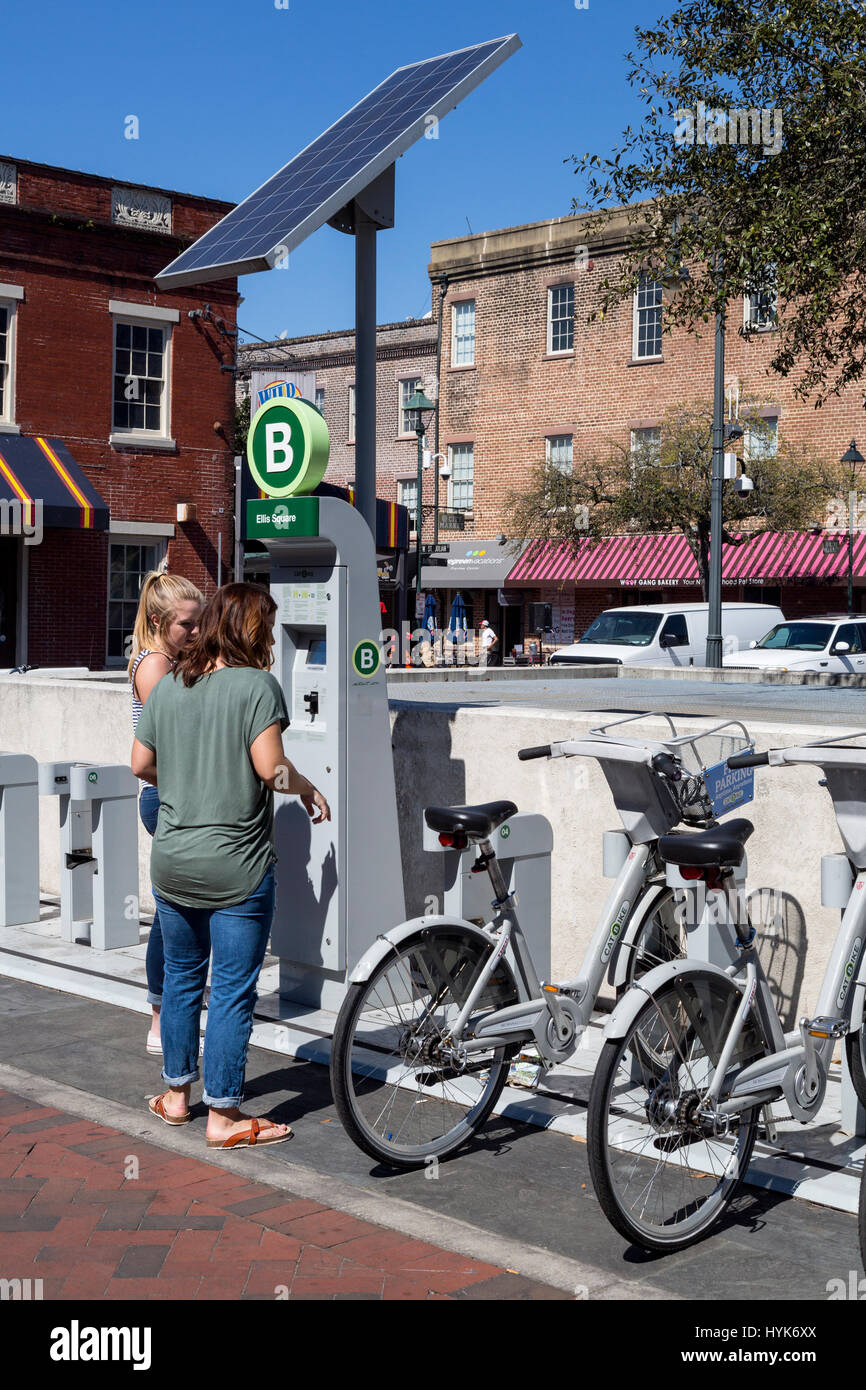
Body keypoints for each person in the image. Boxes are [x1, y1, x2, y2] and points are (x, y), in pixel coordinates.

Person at [131, 583, 330, 1149]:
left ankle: (175, 1097)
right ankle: (223, 1117)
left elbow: (140, 762)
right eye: (266, 626)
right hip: (236, 867)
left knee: (182, 980)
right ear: (252, 630)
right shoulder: (256, 686)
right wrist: (308, 787)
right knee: (233, 991)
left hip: (172, 860)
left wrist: (190, 785)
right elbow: (271, 769)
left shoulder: (171, 685)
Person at [128, 571, 204, 1057]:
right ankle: (160, 1015)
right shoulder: (154, 666)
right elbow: (176, 735)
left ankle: (168, 1013)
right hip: (168, 796)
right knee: (171, 918)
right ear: (158, 621)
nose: (196, 634)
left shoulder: (168, 660)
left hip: (177, 795)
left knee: (174, 916)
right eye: (186, 625)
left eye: (200, 624)